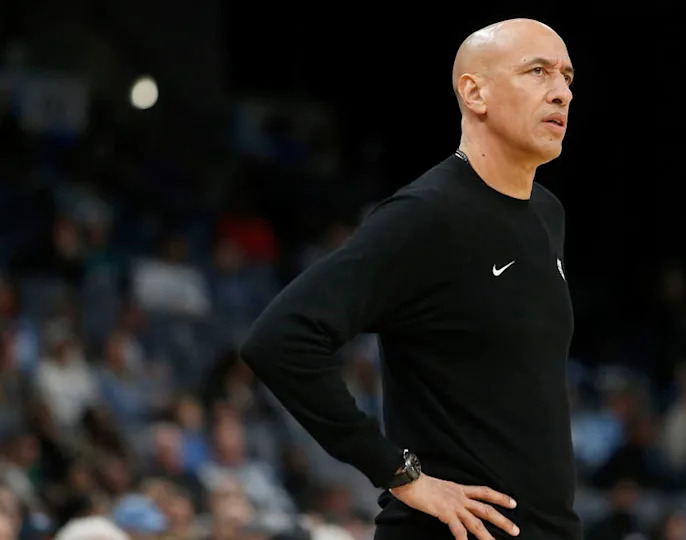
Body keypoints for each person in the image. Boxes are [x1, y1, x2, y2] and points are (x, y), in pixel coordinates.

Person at [240, 17, 578, 540]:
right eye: (538, 72)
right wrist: (399, 473)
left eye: (567, 78)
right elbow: (280, 339)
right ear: (475, 92)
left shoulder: (546, 212)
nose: (560, 92)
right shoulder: (427, 215)